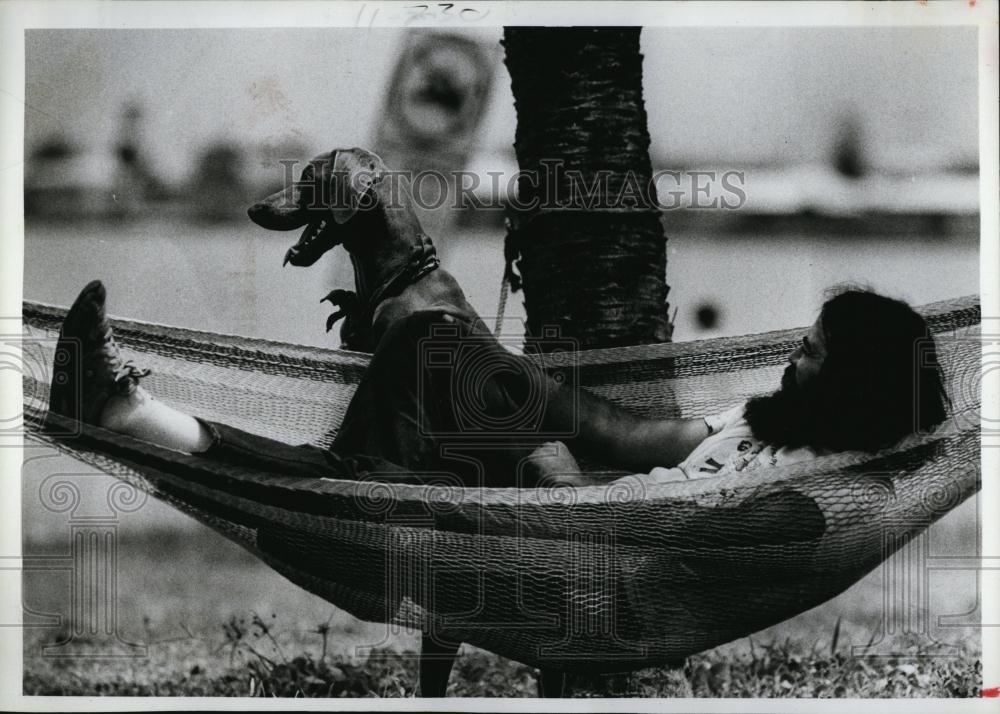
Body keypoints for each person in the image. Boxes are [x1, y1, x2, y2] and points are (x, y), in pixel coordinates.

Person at [46, 280, 949, 489]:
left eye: (816, 353)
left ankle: (129, 412)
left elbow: (665, 537)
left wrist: (542, 464)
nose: (794, 358)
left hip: (579, 546)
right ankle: (130, 410)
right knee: (431, 337)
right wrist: (524, 406)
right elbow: (642, 443)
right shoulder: (765, 425)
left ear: (858, 384)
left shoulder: (807, 486)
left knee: (361, 484)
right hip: (568, 496)